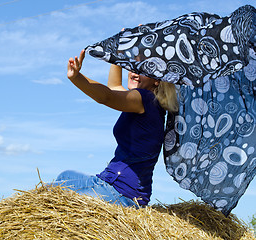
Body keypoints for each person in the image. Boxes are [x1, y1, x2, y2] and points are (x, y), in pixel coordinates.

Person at [52, 49, 178, 207]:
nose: (135, 72)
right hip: (108, 181)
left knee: (57, 199)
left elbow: (107, 96)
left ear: (157, 80)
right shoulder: (144, 102)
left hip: (122, 193)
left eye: (144, 68)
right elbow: (114, 86)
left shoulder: (145, 99)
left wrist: (77, 77)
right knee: (65, 177)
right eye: (133, 65)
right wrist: (119, 52)